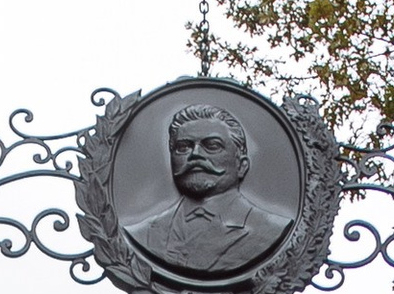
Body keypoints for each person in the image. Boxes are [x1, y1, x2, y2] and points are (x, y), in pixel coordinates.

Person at [121, 100, 291, 282]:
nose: (195, 154)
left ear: (241, 165)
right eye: (183, 147)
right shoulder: (142, 234)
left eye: (212, 146)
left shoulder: (272, 229)